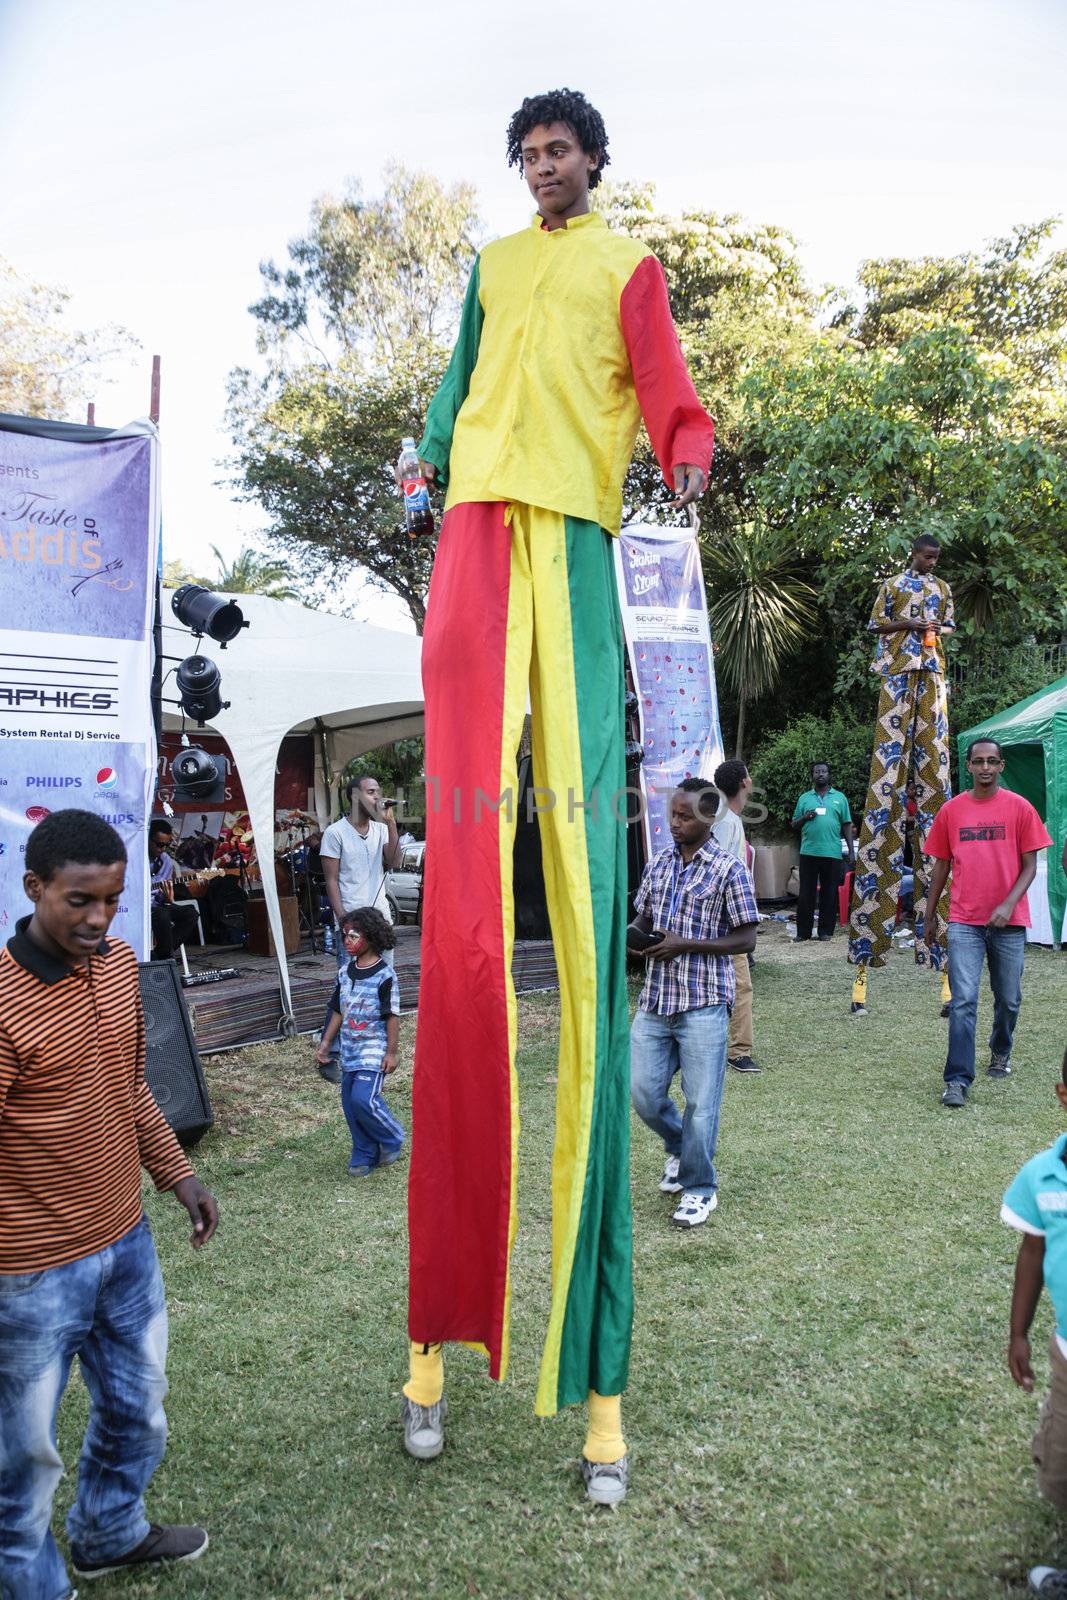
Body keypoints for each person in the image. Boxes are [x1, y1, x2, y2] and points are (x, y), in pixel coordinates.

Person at [402, 88, 714, 1503]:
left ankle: (600, 1401)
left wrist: (686, 451)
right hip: (473, 534)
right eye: (524, 152)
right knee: (463, 928)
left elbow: (664, 383)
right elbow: (453, 375)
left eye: (558, 151)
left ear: (591, 159)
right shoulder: (490, 264)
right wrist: (420, 453)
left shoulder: (620, 264)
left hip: (576, 543)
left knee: (583, 925)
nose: (541, 167)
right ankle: (427, 1348)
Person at [0, 810, 218, 1598]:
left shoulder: (122, 967)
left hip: (125, 1245)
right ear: (35, 889)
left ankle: (108, 1531)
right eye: (78, 901)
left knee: (139, 1412)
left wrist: (176, 1174)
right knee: (20, 1465)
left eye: (111, 901)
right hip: (27, 1277)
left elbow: (125, 1086)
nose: (97, 920)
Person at [629, 779, 758, 1230]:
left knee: (702, 1104)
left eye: (684, 817)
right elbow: (642, 919)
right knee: (643, 1094)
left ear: (709, 818)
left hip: (704, 1001)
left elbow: (746, 935)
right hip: (656, 1000)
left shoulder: (728, 869)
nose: (675, 823)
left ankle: (700, 1188)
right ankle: (682, 1150)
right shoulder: (659, 863)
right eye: (673, 814)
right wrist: (630, 938)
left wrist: (687, 944)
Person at [848, 533, 956, 1013]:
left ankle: (941, 944)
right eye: (927, 556)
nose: (931, 562)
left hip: (930, 671)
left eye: (936, 558)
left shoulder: (944, 588)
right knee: (886, 786)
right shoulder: (892, 584)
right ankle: (869, 944)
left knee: (936, 790)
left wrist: (933, 626)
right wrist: (907, 622)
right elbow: (876, 625)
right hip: (896, 673)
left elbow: (948, 627)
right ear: (914, 552)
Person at [925, 738, 1051, 1106]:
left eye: (991, 761)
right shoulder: (951, 811)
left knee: (1009, 999)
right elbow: (941, 867)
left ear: (1001, 766)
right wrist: (930, 915)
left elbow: (1030, 866)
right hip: (964, 921)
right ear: (967, 766)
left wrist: (1008, 904)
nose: (984, 768)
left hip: (1009, 923)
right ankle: (957, 1080)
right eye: (978, 761)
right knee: (963, 1000)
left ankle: (1001, 1050)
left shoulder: (1020, 809)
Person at [1001, 1046, 1067, 1598]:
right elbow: (1032, 1252)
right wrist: (1018, 1332)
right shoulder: (1043, 1176)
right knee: (1061, 1469)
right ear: (1064, 1097)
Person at [317, 775, 400, 1080]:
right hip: (352, 921)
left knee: (383, 984)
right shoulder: (335, 834)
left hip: (379, 920)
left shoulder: (380, 829)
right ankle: (331, 1053)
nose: (377, 796)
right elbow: (331, 881)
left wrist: (391, 824)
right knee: (347, 988)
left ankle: (375, 1047)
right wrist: (343, 923)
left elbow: (394, 861)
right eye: (370, 791)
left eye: (379, 790)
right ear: (354, 797)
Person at [316, 907, 403, 1176]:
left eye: (353, 935)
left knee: (363, 1100)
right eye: (344, 935)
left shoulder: (385, 976)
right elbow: (338, 1010)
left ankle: (392, 1136)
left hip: (374, 1049)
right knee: (350, 1105)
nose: (347, 941)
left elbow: (392, 1016)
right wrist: (325, 1044)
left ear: (371, 936)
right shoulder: (344, 973)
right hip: (350, 1051)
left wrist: (391, 1052)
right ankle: (364, 1152)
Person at [712, 758, 760, 1073]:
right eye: (748, 774)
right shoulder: (726, 821)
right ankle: (738, 1051)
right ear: (744, 783)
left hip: (723, 917)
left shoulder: (727, 818)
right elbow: (723, 873)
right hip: (726, 919)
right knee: (741, 985)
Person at [791, 762, 854, 940]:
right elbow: (794, 824)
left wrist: (851, 852)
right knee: (806, 894)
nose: (820, 774)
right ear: (812, 775)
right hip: (809, 852)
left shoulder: (840, 798)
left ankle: (825, 932)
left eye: (824, 771)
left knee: (829, 892)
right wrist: (805, 816)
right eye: (817, 771)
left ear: (829, 775)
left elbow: (847, 824)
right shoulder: (804, 798)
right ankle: (803, 933)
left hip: (832, 853)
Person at [148, 818, 200, 959]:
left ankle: (159, 954)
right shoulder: (135, 858)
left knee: (191, 915)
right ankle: (164, 957)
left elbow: (161, 897)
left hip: (156, 905)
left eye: (166, 845)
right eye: (159, 844)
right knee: (162, 915)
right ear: (147, 839)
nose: (162, 849)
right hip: (137, 906)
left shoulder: (166, 861)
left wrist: (166, 898)